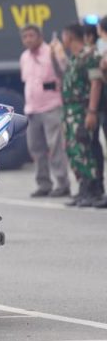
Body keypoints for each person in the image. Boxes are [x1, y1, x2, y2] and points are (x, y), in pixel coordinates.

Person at [54, 24, 104, 207]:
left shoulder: (90, 56)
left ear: (69, 36)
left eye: (63, 36)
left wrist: (91, 111)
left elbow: (96, 83)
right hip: (70, 112)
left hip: (82, 110)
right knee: (74, 151)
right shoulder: (74, 59)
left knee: (86, 149)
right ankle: (83, 188)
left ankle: (94, 190)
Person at [18, 25, 70, 198]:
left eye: (31, 35)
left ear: (40, 36)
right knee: (36, 148)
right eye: (25, 36)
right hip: (32, 109)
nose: (28, 39)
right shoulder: (24, 57)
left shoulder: (51, 52)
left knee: (55, 148)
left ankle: (63, 184)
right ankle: (44, 184)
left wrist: (58, 55)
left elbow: (64, 70)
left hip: (51, 107)